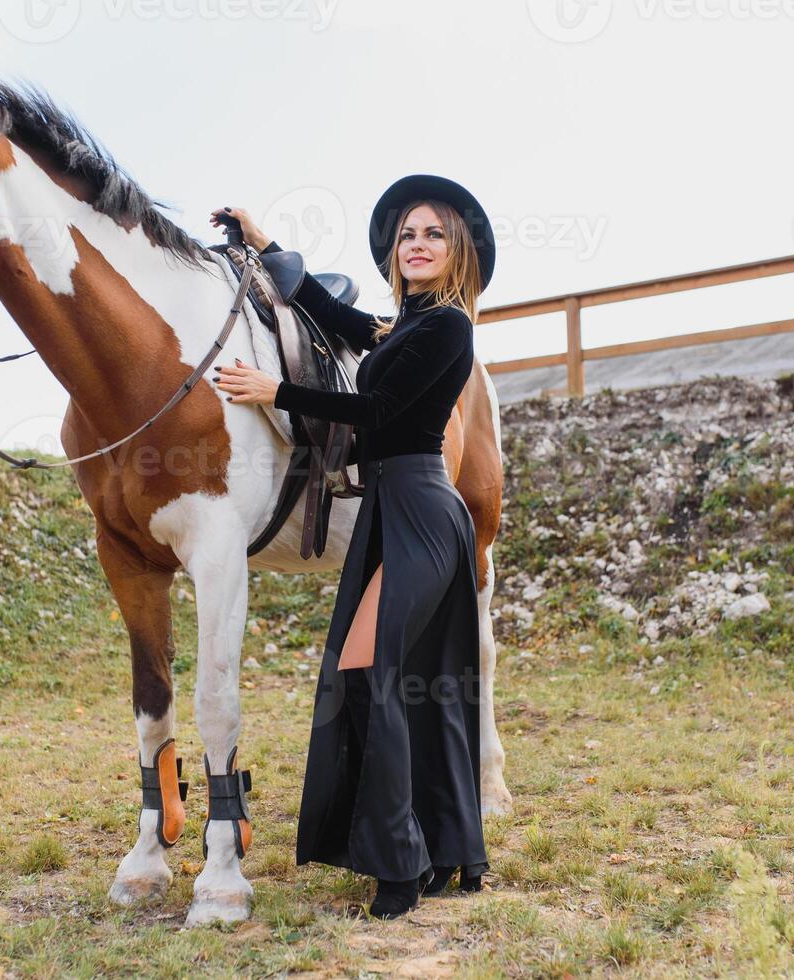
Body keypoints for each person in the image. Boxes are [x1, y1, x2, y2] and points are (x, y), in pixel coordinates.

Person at [210, 174, 497, 920]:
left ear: (457, 248)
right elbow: (328, 309)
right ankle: (443, 849)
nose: (418, 243)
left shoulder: (450, 329)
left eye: (434, 233)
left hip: (424, 509)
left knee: (370, 669)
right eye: (407, 234)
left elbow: (374, 410)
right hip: (387, 513)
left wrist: (273, 393)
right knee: (398, 678)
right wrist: (264, 240)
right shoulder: (400, 328)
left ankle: (402, 863)